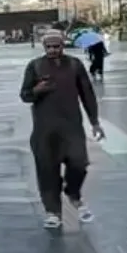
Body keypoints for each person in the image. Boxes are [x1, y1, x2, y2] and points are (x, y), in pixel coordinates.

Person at [20, 29, 105, 229]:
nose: (52, 50)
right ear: (43, 47)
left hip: (72, 128)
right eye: (48, 47)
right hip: (45, 131)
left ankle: (73, 192)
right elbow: (25, 95)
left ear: (63, 45)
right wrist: (37, 90)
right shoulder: (35, 66)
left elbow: (87, 94)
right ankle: (53, 212)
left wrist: (94, 122)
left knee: (79, 163)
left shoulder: (74, 65)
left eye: (56, 46)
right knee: (47, 171)